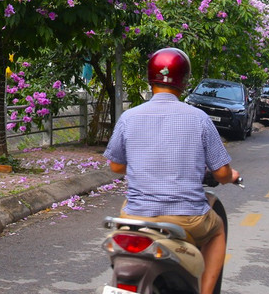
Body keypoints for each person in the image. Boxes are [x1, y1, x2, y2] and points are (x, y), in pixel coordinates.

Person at [103, 47, 240, 294]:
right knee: (217, 229)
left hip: (136, 216)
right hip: (187, 217)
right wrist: (231, 177)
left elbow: (116, 166)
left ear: (150, 77)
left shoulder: (129, 117)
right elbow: (221, 173)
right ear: (184, 81)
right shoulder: (199, 118)